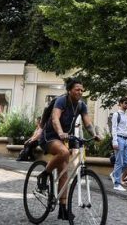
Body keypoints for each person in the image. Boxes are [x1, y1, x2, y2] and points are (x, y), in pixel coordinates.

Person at [39, 77, 101, 221]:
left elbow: (88, 123)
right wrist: (60, 132)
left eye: (82, 90)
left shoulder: (81, 105)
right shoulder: (62, 101)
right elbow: (55, 118)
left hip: (64, 138)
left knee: (64, 173)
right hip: (50, 136)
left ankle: (63, 209)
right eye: (77, 89)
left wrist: (94, 134)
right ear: (69, 90)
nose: (80, 92)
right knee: (64, 152)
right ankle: (44, 174)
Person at [110, 97, 127, 192]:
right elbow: (114, 128)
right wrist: (114, 141)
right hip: (119, 139)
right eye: (125, 103)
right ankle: (117, 183)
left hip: (126, 140)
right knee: (119, 161)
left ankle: (114, 174)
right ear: (120, 104)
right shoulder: (116, 114)